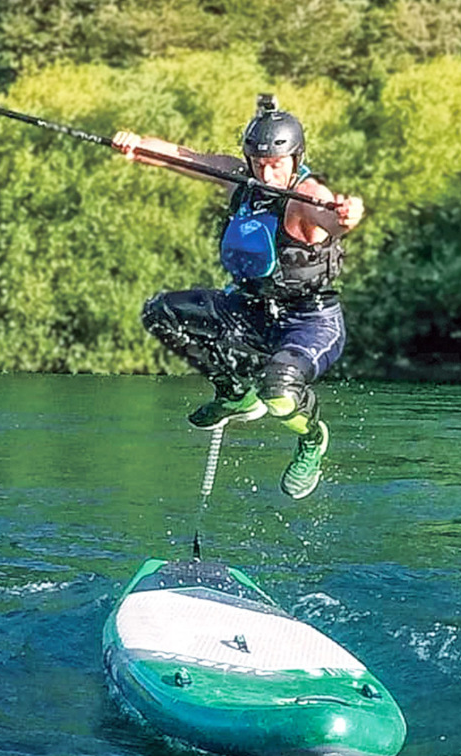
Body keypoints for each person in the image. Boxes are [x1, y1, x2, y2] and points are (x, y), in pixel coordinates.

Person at [113, 95, 364, 499]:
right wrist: (136, 145)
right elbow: (182, 157)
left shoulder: (310, 195)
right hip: (249, 309)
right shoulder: (240, 179)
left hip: (309, 322)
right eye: (259, 164)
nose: (267, 173)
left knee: (279, 389)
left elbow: (333, 218)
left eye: (277, 165)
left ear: (296, 158)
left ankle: (312, 437)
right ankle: (234, 394)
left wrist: (347, 215)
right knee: (161, 313)